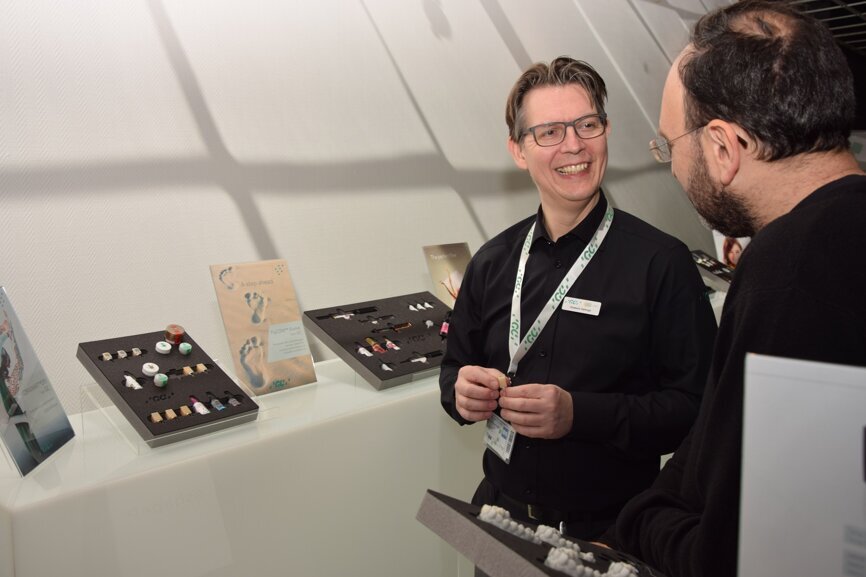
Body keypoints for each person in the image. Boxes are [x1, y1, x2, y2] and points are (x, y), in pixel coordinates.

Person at [604, 3, 866, 576]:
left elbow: (764, 558)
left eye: (669, 145)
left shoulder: (792, 269)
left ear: (722, 148)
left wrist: (643, 523)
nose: (672, 167)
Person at [439, 56, 717, 541]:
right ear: (519, 150)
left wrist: (579, 415)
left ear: (605, 129)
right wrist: (461, 393)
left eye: (587, 124)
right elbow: (452, 370)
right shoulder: (491, 262)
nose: (574, 145)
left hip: (612, 533)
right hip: (501, 522)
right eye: (549, 131)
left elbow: (696, 409)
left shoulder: (661, 263)